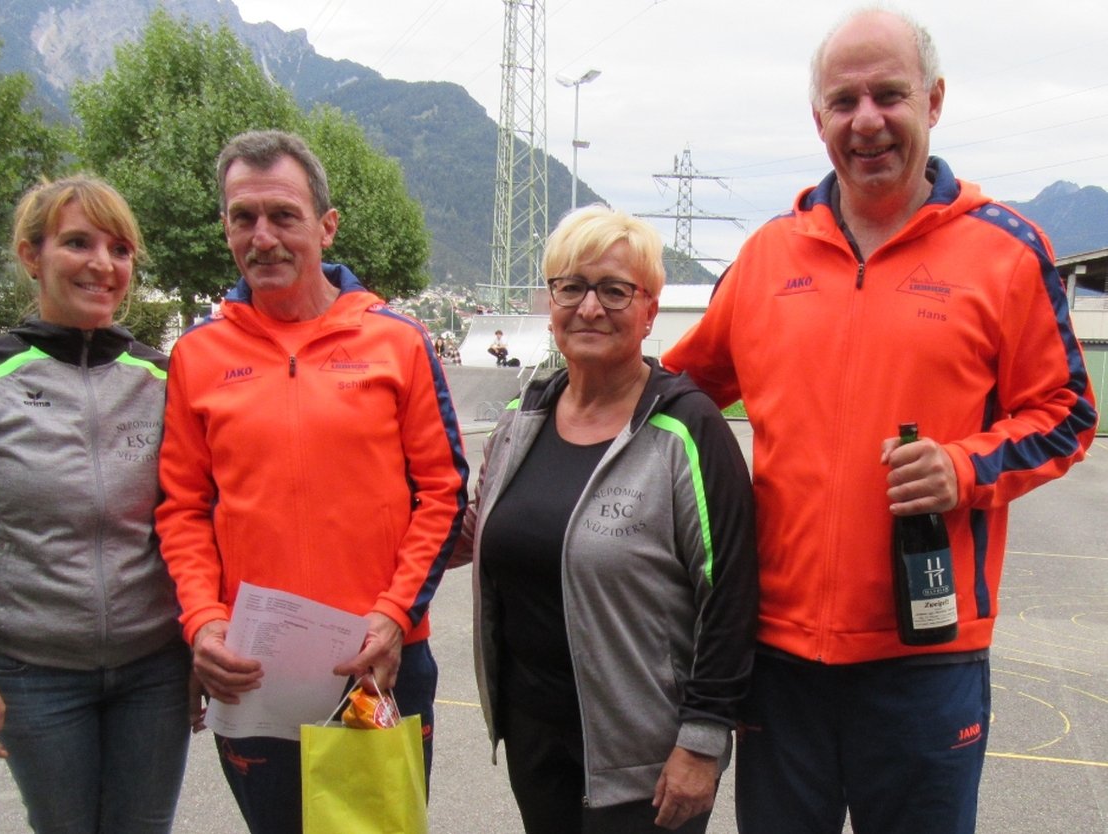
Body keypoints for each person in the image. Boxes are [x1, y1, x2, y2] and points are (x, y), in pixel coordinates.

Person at [663, 9, 1099, 834]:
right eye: (843, 101)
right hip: (779, 660)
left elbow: (1068, 412)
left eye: (888, 95)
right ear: (817, 118)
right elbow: (674, 395)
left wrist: (963, 468)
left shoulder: (1005, 252)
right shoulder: (767, 257)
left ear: (933, 101)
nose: (866, 120)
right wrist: (560, 412)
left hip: (925, 660)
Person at [155, 129, 468, 834]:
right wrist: (202, 622)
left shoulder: (396, 342)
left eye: (283, 215)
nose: (262, 237)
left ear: (326, 226)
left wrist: (394, 616)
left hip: (377, 660)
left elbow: (442, 493)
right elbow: (181, 508)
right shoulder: (198, 355)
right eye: (243, 217)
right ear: (226, 228)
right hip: (253, 667)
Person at [451, 205, 758, 833]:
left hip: (645, 759)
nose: (590, 308)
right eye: (571, 287)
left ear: (649, 310)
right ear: (551, 301)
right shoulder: (520, 419)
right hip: (535, 738)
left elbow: (731, 594)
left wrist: (703, 742)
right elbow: (478, 533)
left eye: (615, 290)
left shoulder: (687, 429)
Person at [0, 175, 192, 833]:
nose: (103, 264)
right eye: (77, 243)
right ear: (30, 255)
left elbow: (195, 517)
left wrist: (203, 636)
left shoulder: (163, 379)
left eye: (120, 249)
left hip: (155, 668)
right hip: (34, 673)